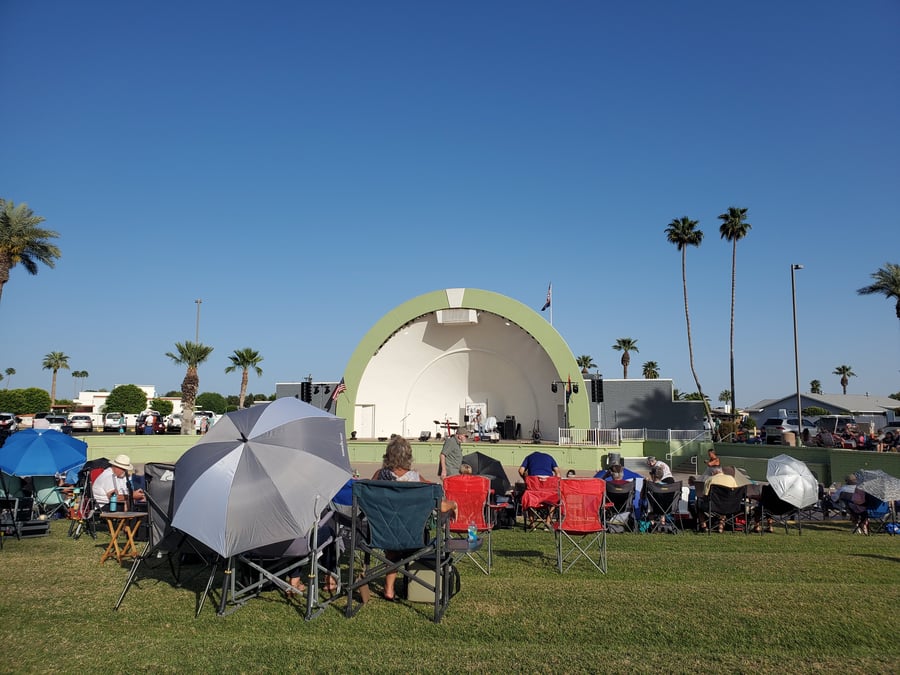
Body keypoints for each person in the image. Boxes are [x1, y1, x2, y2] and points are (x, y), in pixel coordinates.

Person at [373, 437, 457, 601]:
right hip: (414, 536)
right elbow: (440, 503)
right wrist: (453, 505)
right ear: (408, 457)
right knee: (401, 534)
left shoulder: (379, 476)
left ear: (387, 456)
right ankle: (404, 584)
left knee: (393, 542)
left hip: (382, 534)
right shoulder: (416, 478)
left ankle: (389, 589)